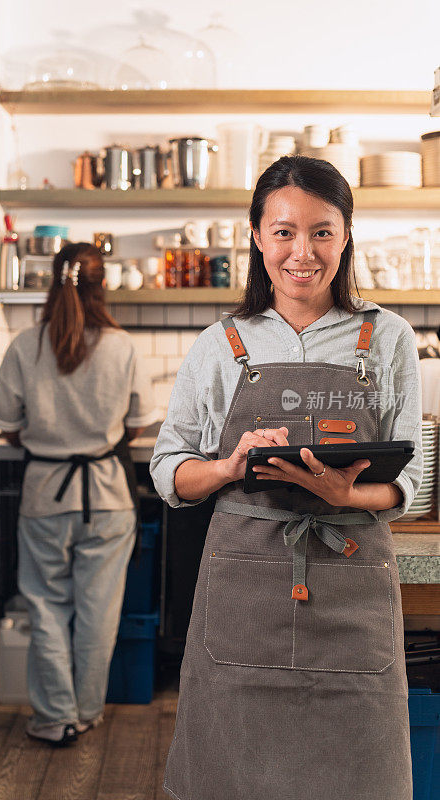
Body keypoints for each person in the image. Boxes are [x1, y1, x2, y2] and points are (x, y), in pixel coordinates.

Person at [150, 155, 423, 800]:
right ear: (256, 237)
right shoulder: (222, 343)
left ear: (346, 235)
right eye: (284, 231)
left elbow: (416, 483)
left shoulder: (385, 338)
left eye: (322, 231)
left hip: (349, 590)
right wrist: (227, 465)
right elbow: (169, 470)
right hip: (244, 595)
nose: (303, 251)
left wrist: (347, 494)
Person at [0, 242, 157, 746]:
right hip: (107, 496)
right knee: (99, 612)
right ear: (101, 284)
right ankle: (86, 712)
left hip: (44, 493)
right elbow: (136, 425)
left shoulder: (25, 345)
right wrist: (95, 442)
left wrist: (51, 443)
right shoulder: (121, 346)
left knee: (45, 608)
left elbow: (7, 425)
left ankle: (55, 717)